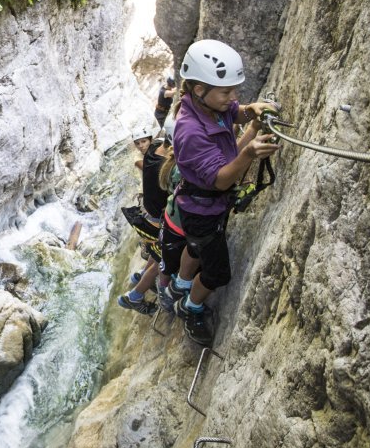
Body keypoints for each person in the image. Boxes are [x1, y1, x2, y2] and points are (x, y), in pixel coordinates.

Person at [160, 40, 279, 345]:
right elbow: (221, 180)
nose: (233, 97)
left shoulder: (211, 107)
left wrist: (249, 111)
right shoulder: (190, 132)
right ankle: (191, 307)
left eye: (234, 91)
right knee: (216, 274)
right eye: (226, 92)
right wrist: (249, 153)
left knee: (196, 247)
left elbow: (233, 113)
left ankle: (180, 283)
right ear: (199, 90)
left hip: (199, 208)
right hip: (203, 210)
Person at [118, 124, 172, 315]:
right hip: (155, 218)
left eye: (144, 142)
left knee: (156, 252)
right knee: (161, 258)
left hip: (149, 215)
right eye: (138, 143)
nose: (141, 146)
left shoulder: (151, 155)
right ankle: (134, 296)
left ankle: (140, 277)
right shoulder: (159, 162)